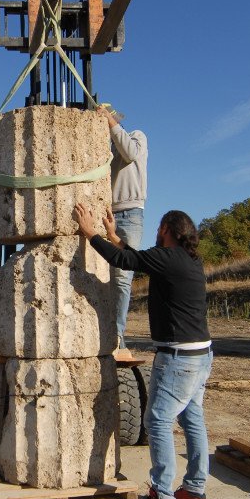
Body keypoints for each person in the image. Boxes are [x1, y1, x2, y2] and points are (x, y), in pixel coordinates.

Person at [73, 202, 212, 499]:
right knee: (193, 421)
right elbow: (137, 258)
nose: (156, 233)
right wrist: (112, 234)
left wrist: (90, 233)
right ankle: (195, 491)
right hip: (201, 356)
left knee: (158, 422)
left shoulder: (169, 257)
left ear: (166, 231)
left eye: (159, 229)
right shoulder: (188, 260)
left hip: (179, 359)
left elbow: (125, 260)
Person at [101, 105, 148, 350]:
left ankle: (117, 337)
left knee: (121, 277)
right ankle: (104, 331)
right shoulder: (106, 150)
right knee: (104, 278)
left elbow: (129, 153)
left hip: (130, 214)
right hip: (108, 214)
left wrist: (109, 120)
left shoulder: (137, 137)